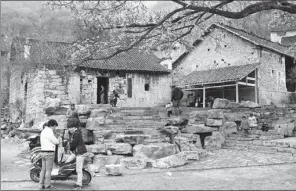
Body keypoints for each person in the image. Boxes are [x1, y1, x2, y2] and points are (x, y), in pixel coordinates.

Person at [39, 119, 60, 190]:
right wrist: (58, 140)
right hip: (49, 153)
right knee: (48, 170)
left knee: (43, 170)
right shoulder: (49, 131)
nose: (55, 128)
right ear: (51, 125)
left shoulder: (43, 131)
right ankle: (48, 185)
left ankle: (41, 184)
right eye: (54, 127)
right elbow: (55, 141)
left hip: (43, 152)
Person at [67, 122, 88, 189]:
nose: (69, 129)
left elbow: (74, 144)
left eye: (70, 128)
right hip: (79, 152)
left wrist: (70, 148)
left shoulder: (77, 133)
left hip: (80, 152)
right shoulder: (76, 132)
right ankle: (78, 183)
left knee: (78, 170)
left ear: (73, 127)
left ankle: (79, 184)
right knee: (70, 162)